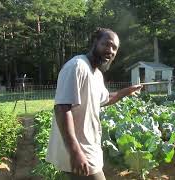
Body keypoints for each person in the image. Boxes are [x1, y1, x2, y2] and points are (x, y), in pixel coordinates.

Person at [46, 27, 142, 180]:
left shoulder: (96, 74)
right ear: (95, 42)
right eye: (107, 44)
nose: (110, 50)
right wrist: (75, 152)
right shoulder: (77, 66)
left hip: (88, 146)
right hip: (79, 149)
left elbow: (105, 99)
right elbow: (62, 108)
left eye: (114, 48)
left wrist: (127, 91)